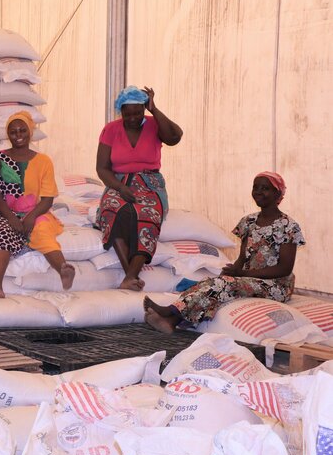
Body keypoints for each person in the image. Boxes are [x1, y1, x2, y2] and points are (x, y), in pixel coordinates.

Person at [144, 172, 305, 333]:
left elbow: (285, 269)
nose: (258, 191)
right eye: (255, 187)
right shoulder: (248, 221)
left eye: (265, 188)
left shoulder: (288, 226)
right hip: (251, 278)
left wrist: (241, 274)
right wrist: (233, 271)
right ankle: (172, 320)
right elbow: (243, 257)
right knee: (210, 282)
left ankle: (169, 313)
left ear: (278, 193)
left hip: (276, 285)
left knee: (224, 285)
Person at [96, 86, 183, 290]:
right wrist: (119, 187)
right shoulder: (111, 129)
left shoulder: (154, 124)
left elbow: (175, 137)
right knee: (111, 211)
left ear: (144, 109)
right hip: (118, 182)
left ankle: (130, 277)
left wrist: (154, 109)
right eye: (128, 113)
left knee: (147, 216)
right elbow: (102, 168)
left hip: (150, 183)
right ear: (121, 111)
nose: (133, 117)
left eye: (138, 112)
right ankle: (130, 275)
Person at [0, 111, 74, 298]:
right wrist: (11, 218)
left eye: (22, 130)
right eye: (13, 132)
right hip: (4, 213)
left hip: (35, 211)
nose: (18, 135)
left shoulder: (43, 161)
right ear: (7, 134)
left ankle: (63, 269)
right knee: (3, 234)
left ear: (30, 132)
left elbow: (48, 199)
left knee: (42, 230)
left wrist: (31, 217)